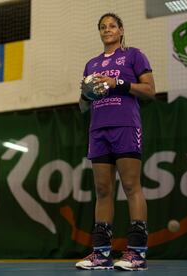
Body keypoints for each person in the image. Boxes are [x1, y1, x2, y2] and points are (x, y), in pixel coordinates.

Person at [75, 13, 156, 271]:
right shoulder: (91, 64)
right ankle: (101, 253)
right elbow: (82, 105)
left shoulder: (133, 55)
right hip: (98, 129)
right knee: (102, 190)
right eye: (102, 27)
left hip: (125, 125)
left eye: (112, 26)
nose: (107, 30)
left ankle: (137, 253)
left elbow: (149, 90)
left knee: (131, 185)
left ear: (121, 30)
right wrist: (86, 93)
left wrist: (117, 83)